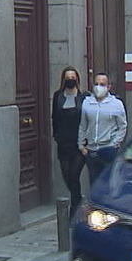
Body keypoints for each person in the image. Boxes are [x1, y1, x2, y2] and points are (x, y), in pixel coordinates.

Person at [78, 71, 127, 187]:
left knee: (109, 182)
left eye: (102, 84)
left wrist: (115, 143)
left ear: (108, 87)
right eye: (96, 84)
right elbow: (83, 125)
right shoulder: (87, 103)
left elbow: (122, 126)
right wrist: (81, 145)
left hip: (108, 149)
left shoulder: (116, 104)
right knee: (94, 183)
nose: (99, 87)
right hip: (92, 149)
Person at [51, 66, 88, 217]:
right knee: (67, 177)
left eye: (73, 78)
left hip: (79, 144)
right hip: (63, 143)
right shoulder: (58, 96)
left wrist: (86, 142)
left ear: (77, 79)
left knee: (74, 175)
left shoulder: (84, 97)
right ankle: (78, 200)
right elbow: (54, 117)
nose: (70, 80)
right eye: (68, 78)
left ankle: (74, 209)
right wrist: (56, 136)